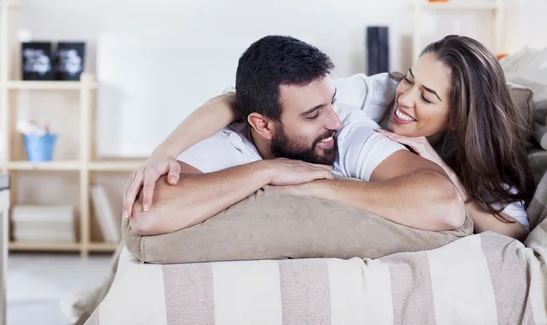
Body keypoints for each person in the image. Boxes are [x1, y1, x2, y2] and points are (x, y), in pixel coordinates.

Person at [126, 35, 465, 236]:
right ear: (261, 124)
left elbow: (445, 205)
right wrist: (266, 172)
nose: (333, 120)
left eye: (330, 103)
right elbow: (147, 213)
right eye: (313, 114)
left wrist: (319, 187)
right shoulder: (228, 142)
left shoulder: (347, 125)